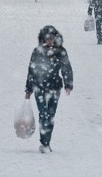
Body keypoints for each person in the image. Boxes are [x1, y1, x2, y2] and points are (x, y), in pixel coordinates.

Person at [24, 25, 73, 154]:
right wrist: (28, 89)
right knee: (43, 114)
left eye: (52, 38)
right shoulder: (37, 51)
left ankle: (47, 141)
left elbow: (66, 68)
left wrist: (68, 85)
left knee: (50, 115)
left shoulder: (61, 51)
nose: (50, 40)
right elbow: (32, 70)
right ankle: (44, 142)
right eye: (47, 38)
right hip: (39, 87)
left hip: (55, 87)